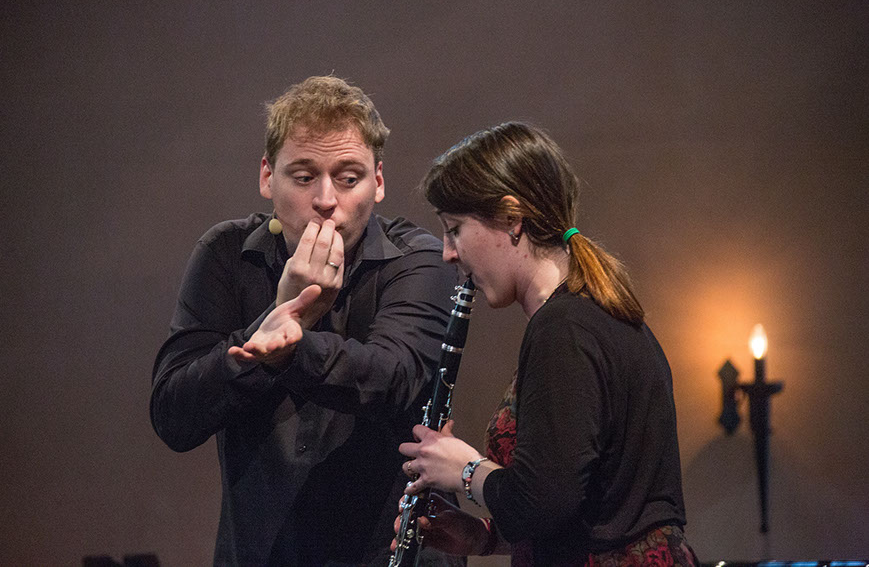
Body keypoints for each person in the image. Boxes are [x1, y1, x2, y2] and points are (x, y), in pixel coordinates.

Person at [151, 76, 463, 566]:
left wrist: (290, 345)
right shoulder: (226, 253)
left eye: (349, 178)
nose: (325, 199)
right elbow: (174, 415)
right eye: (302, 177)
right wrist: (271, 324)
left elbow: (393, 379)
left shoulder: (418, 259)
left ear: (378, 182)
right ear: (266, 177)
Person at [394, 122, 699, 565]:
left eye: (455, 229)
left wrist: (464, 469)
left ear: (511, 218)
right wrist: (483, 539)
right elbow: (588, 510)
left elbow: (542, 501)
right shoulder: (596, 315)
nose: (448, 252)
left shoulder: (564, 329)